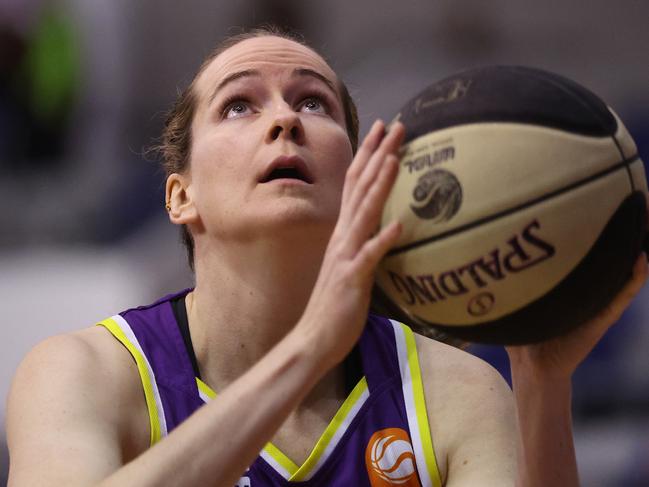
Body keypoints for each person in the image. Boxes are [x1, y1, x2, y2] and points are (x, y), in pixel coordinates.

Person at [6, 27, 648, 487]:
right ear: (181, 195)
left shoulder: (453, 389)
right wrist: (310, 344)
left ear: (359, 173)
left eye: (313, 102)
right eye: (239, 105)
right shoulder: (83, 372)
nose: (285, 120)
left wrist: (540, 379)